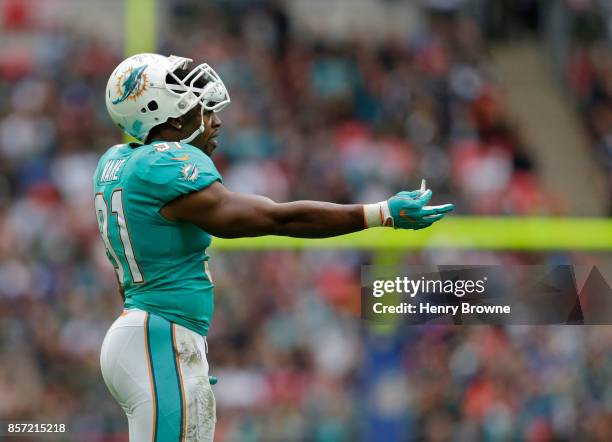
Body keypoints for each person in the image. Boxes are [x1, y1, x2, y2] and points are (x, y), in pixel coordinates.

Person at [95, 53, 454, 442]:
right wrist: (378, 213)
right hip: (156, 336)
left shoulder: (118, 162)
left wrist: (182, 346)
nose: (215, 120)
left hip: (145, 333)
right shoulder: (162, 165)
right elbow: (274, 218)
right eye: (203, 108)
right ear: (168, 112)